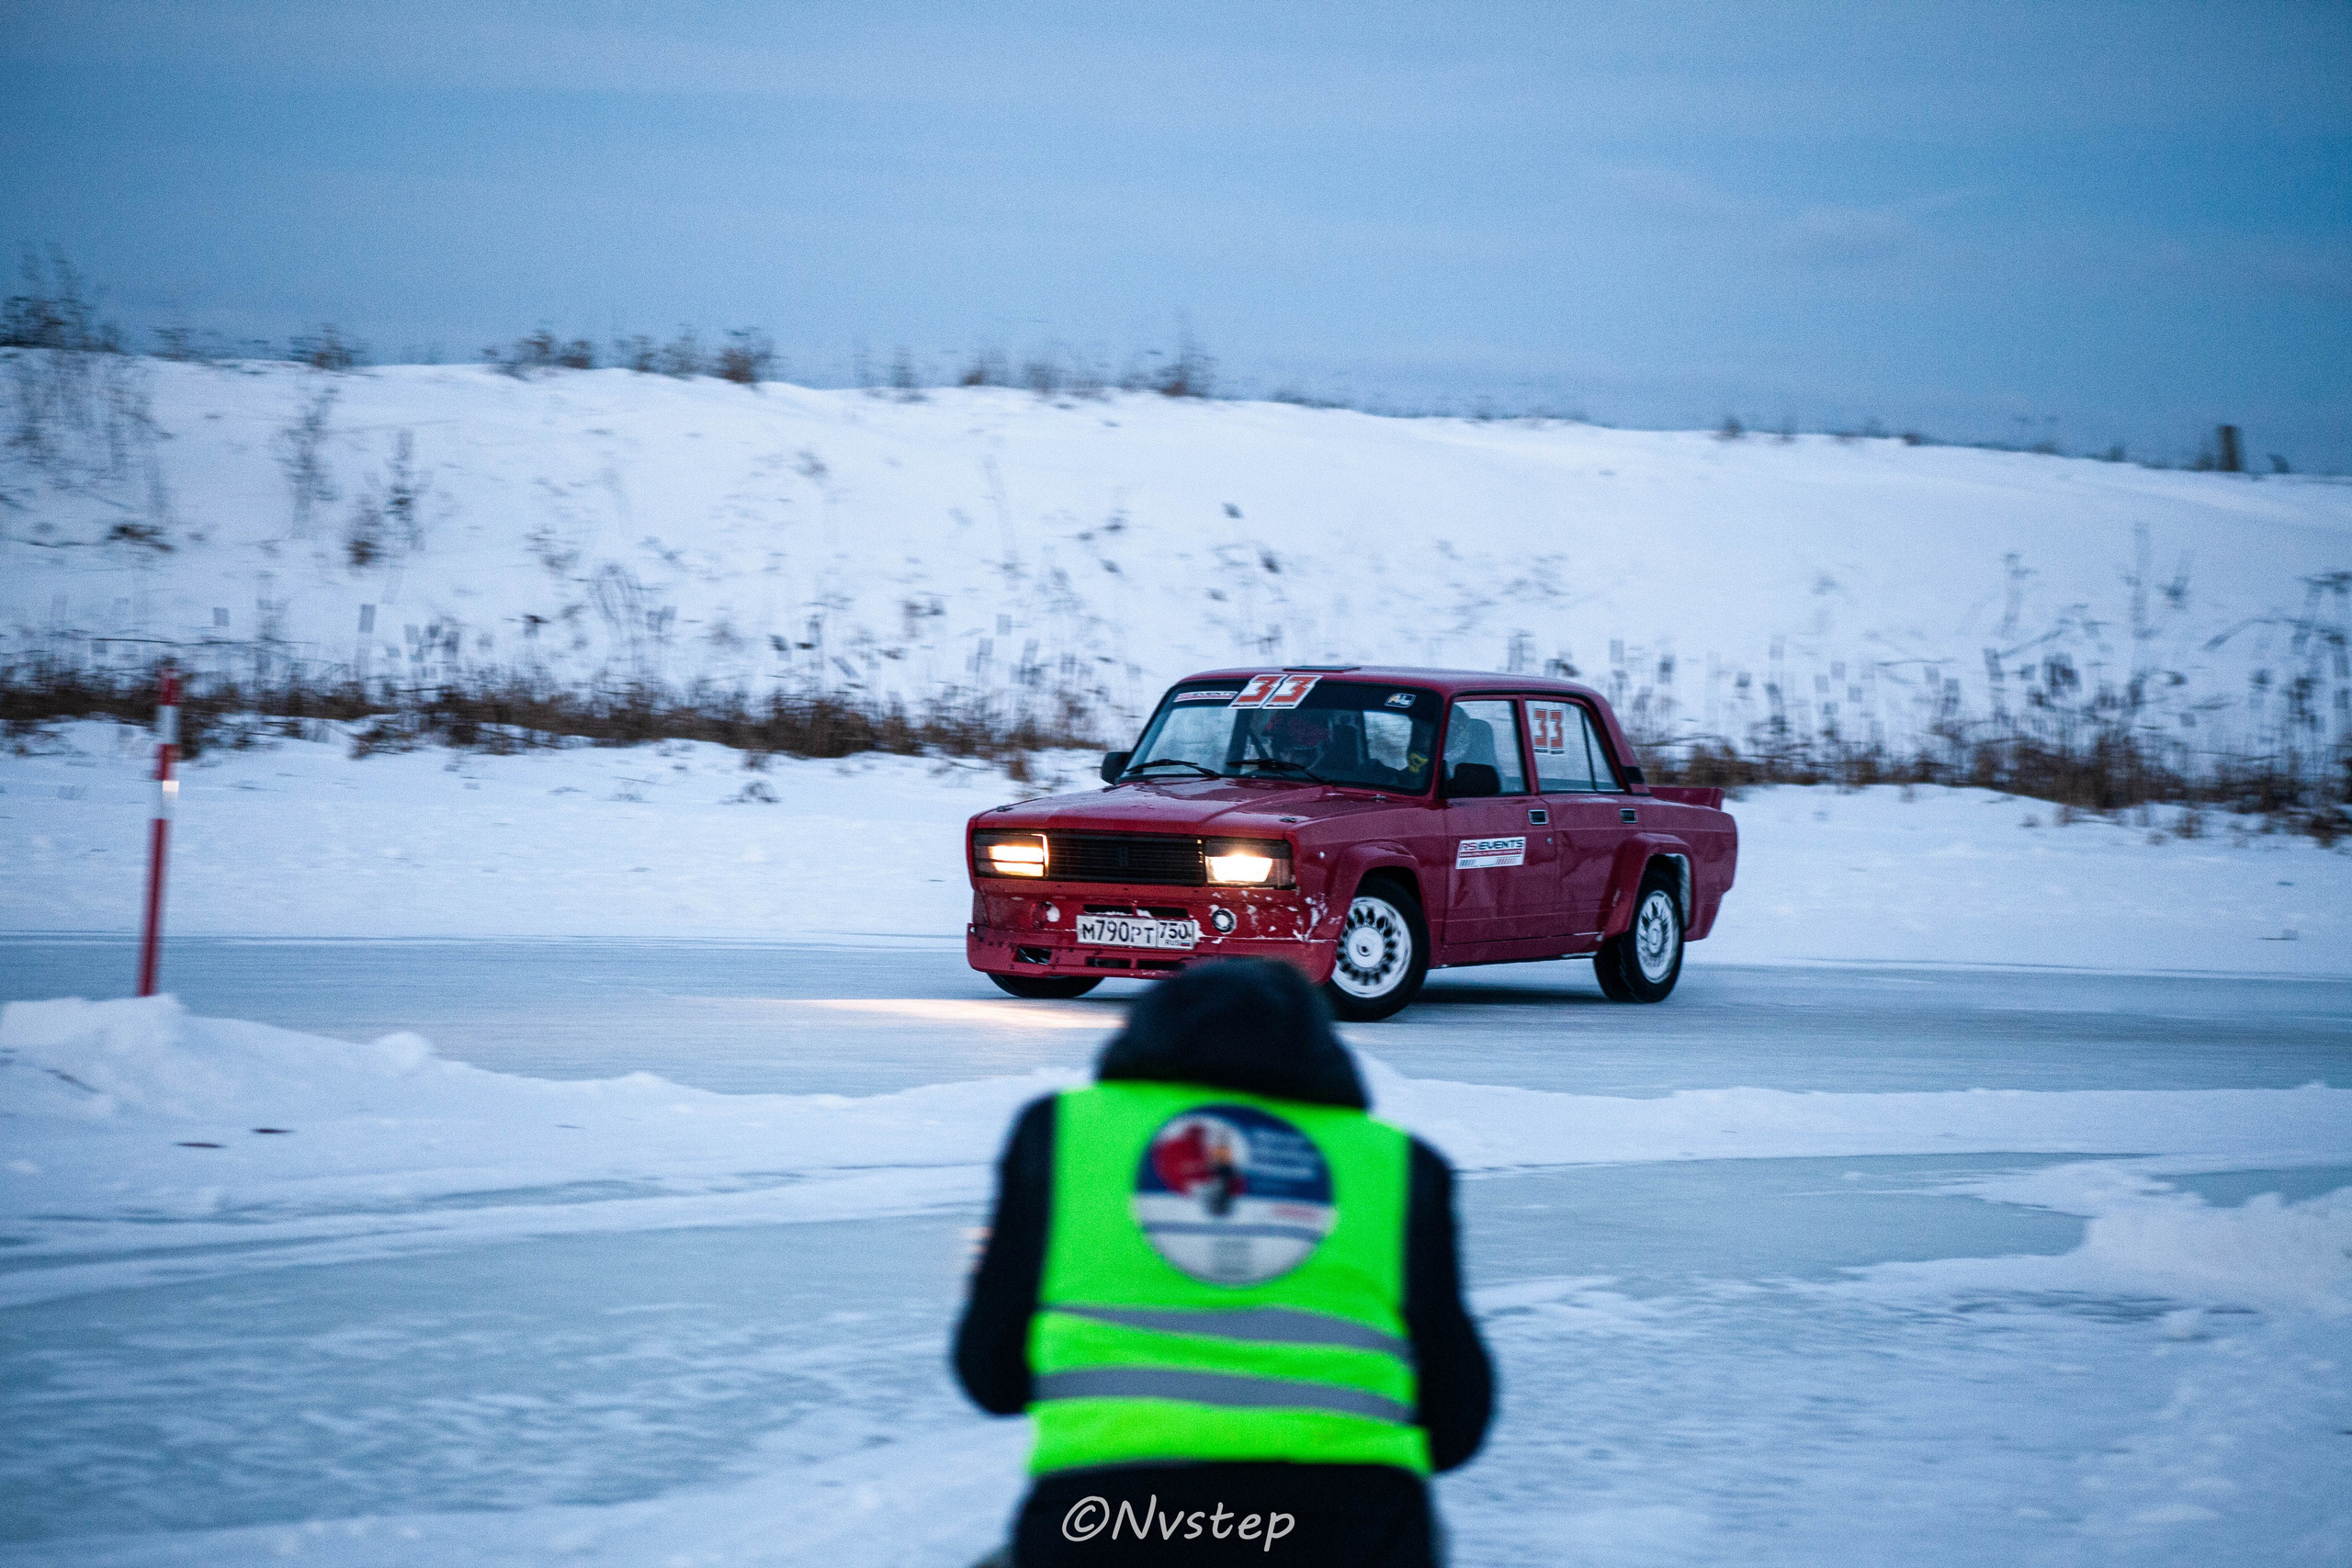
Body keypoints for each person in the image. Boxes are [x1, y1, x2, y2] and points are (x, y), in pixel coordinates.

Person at [953, 959, 1494, 1563]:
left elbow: (990, 1375)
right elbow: (1457, 1422)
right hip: (1350, 1531)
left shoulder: (1062, 1134)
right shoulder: (1397, 1165)